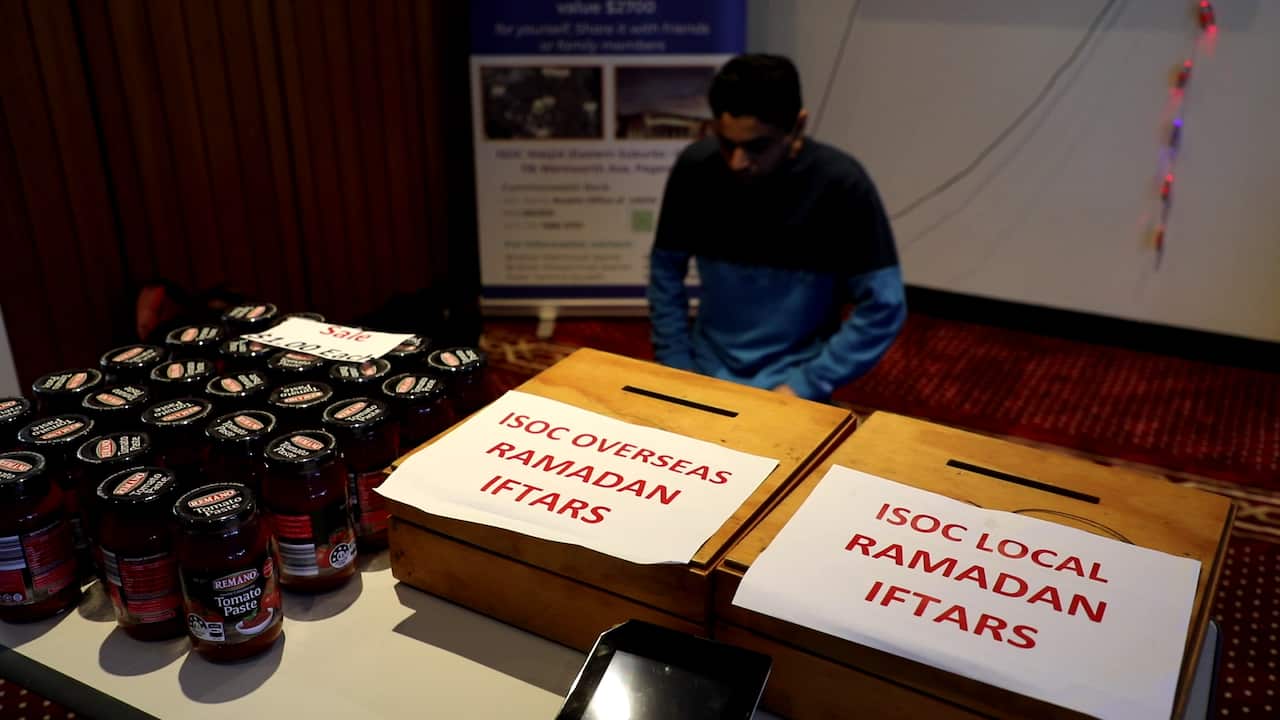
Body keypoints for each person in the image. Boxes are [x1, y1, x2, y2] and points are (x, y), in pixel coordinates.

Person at [647, 54, 906, 402]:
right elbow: (665, 272)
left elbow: (884, 305)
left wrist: (806, 385)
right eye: (726, 143)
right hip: (703, 371)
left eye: (757, 147)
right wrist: (677, 366)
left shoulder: (841, 185)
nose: (737, 162)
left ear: (798, 127)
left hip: (793, 382)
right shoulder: (695, 168)